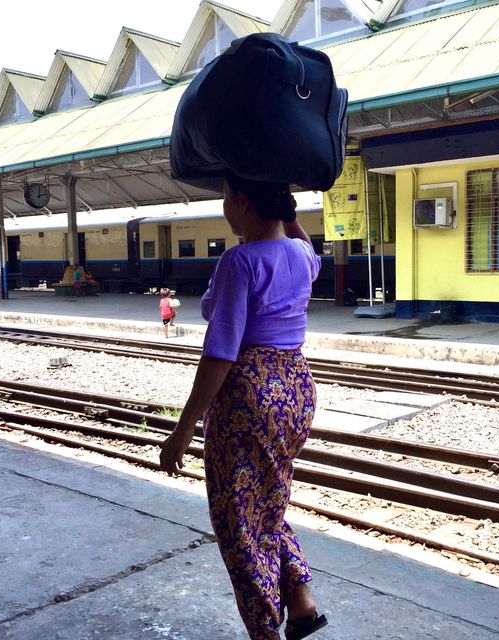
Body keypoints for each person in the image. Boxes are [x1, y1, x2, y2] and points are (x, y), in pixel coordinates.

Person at [160, 174, 327, 640]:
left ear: (242, 201)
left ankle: (264, 631)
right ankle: (300, 603)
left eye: (225, 199)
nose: (223, 209)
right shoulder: (300, 255)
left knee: (236, 522)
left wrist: (183, 428)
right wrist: (287, 212)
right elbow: (303, 239)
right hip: (295, 388)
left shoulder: (239, 261)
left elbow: (220, 352)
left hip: (250, 395)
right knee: (268, 505)